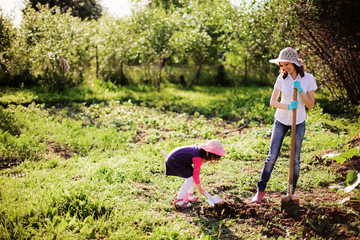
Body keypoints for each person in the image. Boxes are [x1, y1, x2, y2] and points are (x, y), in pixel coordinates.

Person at [251, 47, 317, 203]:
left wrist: (300, 91)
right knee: (272, 156)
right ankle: (260, 192)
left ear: (294, 63)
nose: (284, 68)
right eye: (281, 65)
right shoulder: (281, 78)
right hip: (281, 120)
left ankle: (291, 193)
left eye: (286, 64)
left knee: (295, 160)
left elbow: (311, 105)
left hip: (298, 121)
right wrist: (287, 106)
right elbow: (272, 102)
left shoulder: (308, 78)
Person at [165, 139, 226, 208]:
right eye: (213, 157)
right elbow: (196, 175)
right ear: (209, 153)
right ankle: (178, 200)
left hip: (178, 160)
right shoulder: (198, 157)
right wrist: (200, 189)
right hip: (174, 161)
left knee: (192, 177)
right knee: (190, 178)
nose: (212, 160)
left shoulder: (199, 151)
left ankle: (189, 196)